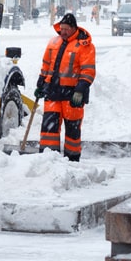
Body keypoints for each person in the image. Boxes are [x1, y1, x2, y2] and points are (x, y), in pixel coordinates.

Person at [34, 12, 96, 161]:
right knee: (49, 130)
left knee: (72, 130)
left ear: (74, 28)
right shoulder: (53, 42)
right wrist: (41, 83)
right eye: (61, 28)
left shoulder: (84, 46)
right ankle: (48, 159)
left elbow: (88, 71)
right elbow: (46, 65)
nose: (63, 32)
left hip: (72, 95)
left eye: (66, 29)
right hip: (52, 92)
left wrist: (80, 90)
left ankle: (72, 160)